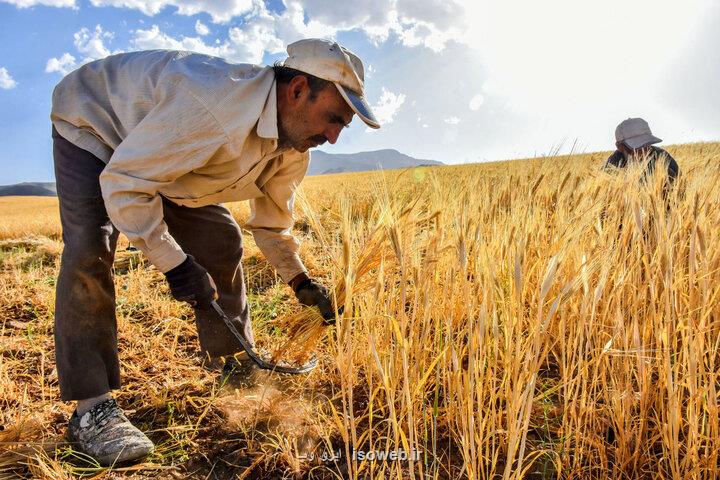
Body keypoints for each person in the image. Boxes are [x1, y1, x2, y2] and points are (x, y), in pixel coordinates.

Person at [50, 38, 380, 465]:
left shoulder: (293, 148)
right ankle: (92, 410)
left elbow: (271, 223)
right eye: (333, 118)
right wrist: (175, 264)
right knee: (89, 250)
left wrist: (301, 282)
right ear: (298, 89)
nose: (333, 137)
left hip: (160, 152)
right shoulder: (213, 110)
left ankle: (234, 364)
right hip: (95, 122)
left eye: (344, 126)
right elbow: (126, 182)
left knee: (221, 239)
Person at [603, 117, 680, 190]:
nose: (644, 150)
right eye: (636, 146)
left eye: (646, 144)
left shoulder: (662, 156)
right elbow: (606, 190)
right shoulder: (613, 163)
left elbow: (680, 187)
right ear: (620, 147)